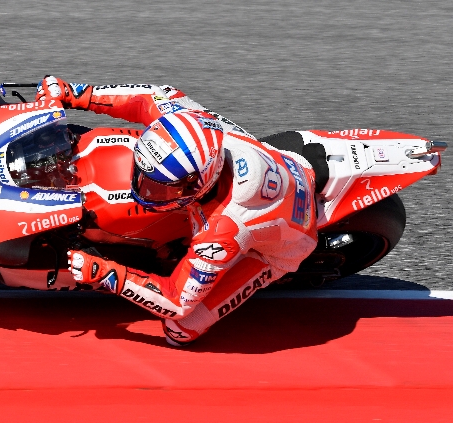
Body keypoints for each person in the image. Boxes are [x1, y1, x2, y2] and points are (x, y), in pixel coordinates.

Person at [35, 76, 318, 346]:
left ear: (200, 182)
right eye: (143, 177)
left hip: (286, 243)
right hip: (284, 163)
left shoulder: (220, 232)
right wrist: (78, 94)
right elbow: (148, 97)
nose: (143, 190)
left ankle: (268, 267)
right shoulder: (194, 125)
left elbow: (176, 302)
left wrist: (110, 274)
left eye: (160, 188)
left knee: (180, 330)